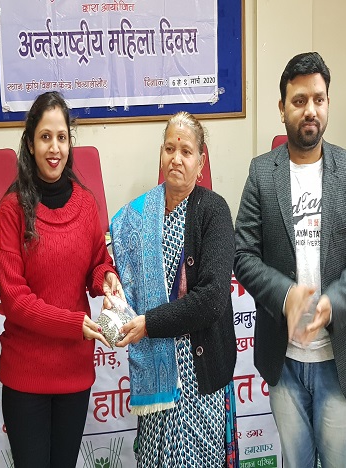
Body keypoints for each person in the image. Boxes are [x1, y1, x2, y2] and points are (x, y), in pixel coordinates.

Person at [233, 52, 346, 467]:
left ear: (328, 103)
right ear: (282, 108)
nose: (310, 110)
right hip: (283, 359)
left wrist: (333, 302)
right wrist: (286, 296)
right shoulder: (261, 173)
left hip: (339, 358)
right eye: (299, 101)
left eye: (318, 99)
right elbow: (243, 254)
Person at [0, 91, 122, 468]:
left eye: (62, 137)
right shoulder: (12, 209)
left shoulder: (86, 204)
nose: (54, 148)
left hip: (74, 373)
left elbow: (97, 262)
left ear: (70, 143)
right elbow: (15, 300)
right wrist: (72, 324)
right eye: (45, 137)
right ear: (30, 144)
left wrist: (106, 278)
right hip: (26, 377)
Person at [110, 111, 239, 467]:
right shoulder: (139, 217)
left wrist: (149, 323)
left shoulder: (213, 211)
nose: (176, 158)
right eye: (169, 149)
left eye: (186, 151)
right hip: (157, 373)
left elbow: (212, 299)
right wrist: (111, 286)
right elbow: (120, 276)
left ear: (201, 162)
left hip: (199, 376)